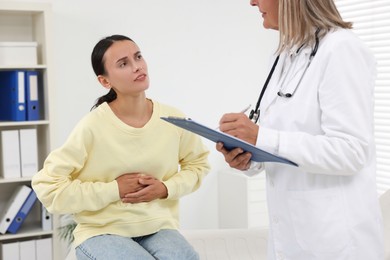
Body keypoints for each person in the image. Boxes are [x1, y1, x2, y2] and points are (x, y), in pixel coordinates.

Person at [216, 0, 384, 259]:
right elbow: (281, 142)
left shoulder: (341, 49)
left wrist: (261, 137)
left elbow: (352, 151)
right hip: (291, 239)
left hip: (335, 242)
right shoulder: (286, 54)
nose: (252, 2)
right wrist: (246, 156)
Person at [32, 34, 210, 260]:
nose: (137, 67)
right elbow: (48, 187)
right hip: (101, 231)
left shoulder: (172, 118)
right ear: (105, 81)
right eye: (124, 64)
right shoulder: (93, 126)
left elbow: (198, 164)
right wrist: (114, 189)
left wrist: (165, 188)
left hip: (156, 227)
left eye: (138, 57)